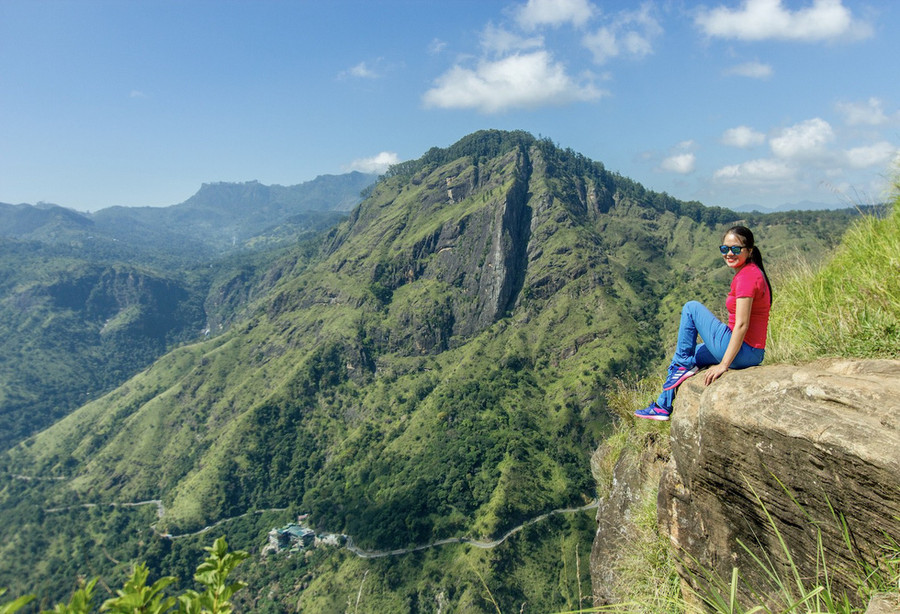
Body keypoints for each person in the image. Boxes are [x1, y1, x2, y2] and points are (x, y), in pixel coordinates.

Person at [634, 225, 773, 421]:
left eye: (736, 249)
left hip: (744, 352)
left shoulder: (747, 277)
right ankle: (662, 406)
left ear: (749, 250)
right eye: (725, 249)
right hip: (750, 352)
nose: (729, 254)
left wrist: (724, 365)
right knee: (693, 353)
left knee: (691, 308)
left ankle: (681, 367)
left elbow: (742, 325)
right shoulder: (751, 272)